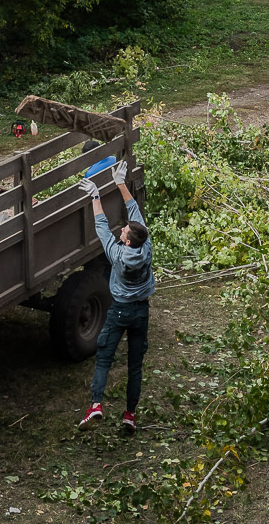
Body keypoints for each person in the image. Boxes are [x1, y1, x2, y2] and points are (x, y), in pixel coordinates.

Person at [76, 159, 154, 434]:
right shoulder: (146, 247)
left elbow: (100, 224)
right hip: (140, 313)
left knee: (105, 358)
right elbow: (133, 210)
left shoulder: (117, 254)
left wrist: (96, 194)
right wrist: (120, 183)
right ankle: (130, 414)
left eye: (123, 231)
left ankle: (96, 405)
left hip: (119, 311)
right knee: (135, 365)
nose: (121, 229)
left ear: (127, 241)